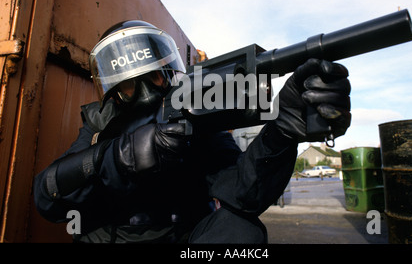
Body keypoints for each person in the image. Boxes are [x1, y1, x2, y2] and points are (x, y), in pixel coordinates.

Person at [33, 20, 351, 243]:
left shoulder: (192, 121)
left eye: (154, 78)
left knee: (240, 229)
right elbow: (48, 198)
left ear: (169, 75)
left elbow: (245, 194)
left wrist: (282, 132)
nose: (144, 94)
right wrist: (117, 157)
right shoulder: (98, 126)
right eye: (130, 85)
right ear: (115, 91)